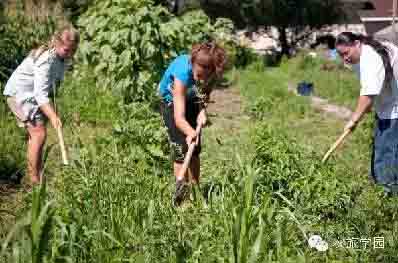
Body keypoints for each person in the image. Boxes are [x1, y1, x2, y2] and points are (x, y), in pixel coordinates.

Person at [3, 24, 79, 185]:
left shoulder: (62, 58)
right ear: (56, 43)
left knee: (37, 136)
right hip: (21, 94)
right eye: (67, 50)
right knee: (39, 134)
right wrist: (52, 115)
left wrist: (52, 108)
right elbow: (39, 94)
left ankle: (35, 173)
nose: (70, 54)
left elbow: (50, 86)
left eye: (73, 50)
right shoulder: (46, 59)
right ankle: (34, 183)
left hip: (34, 94)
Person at [158, 41, 227, 206]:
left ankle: (195, 190)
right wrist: (189, 132)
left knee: (194, 148)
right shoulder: (182, 74)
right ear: (193, 63)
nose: (202, 80)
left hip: (191, 98)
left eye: (206, 77)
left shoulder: (211, 72)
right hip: (171, 102)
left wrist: (202, 109)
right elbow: (179, 118)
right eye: (198, 76)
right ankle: (183, 198)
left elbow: (203, 92)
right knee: (181, 150)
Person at [335, 32, 398, 195]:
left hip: (394, 109)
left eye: (346, 53)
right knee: (381, 148)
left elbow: (368, 94)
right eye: (341, 55)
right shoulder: (363, 57)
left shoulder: (370, 57)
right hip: (387, 106)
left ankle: (387, 195)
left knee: (386, 152)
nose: (345, 59)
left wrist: (354, 120)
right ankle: (382, 188)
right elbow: (369, 88)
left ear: (357, 44)